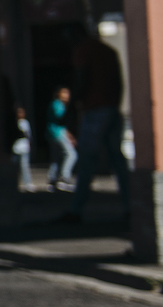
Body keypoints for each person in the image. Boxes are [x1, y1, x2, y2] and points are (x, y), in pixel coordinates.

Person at [65, 35, 131, 221]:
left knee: (86, 159)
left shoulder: (83, 50)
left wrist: (71, 108)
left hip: (95, 110)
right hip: (111, 109)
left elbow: (81, 78)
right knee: (117, 159)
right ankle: (129, 206)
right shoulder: (109, 52)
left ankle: (76, 209)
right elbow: (119, 82)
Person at [46, 85, 78, 192]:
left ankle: (53, 179)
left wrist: (70, 136)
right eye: (64, 93)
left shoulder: (57, 104)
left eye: (68, 93)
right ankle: (65, 177)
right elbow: (61, 118)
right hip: (57, 133)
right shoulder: (58, 104)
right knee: (72, 155)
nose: (67, 96)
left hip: (55, 133)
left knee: (56, 158)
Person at [13, 106, 35, 192]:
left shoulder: (25, 123)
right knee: (14, 167)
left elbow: (28, 135)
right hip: (15, 148)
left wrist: (29, 145)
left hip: (24, 148)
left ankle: (28, 183)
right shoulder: (15, 123)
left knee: (25, 167)